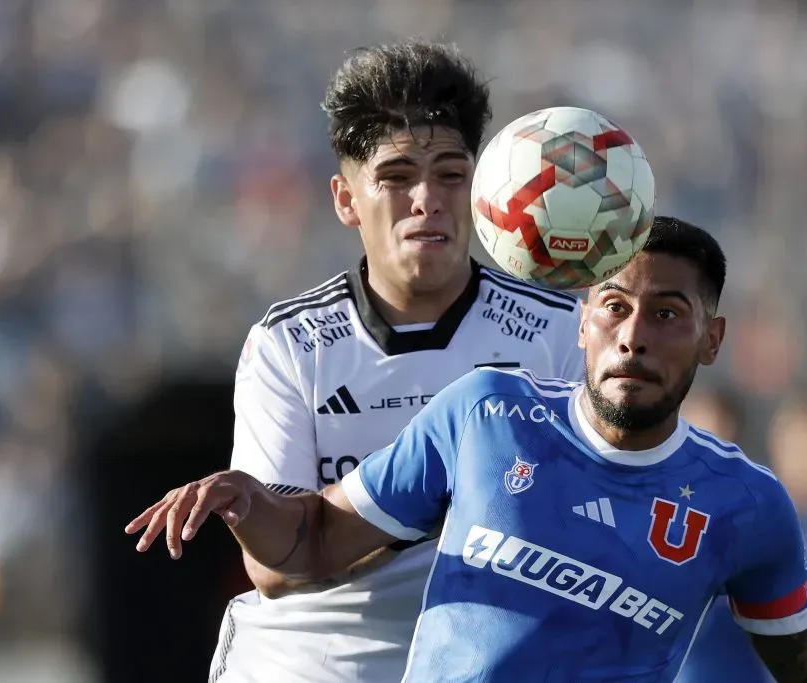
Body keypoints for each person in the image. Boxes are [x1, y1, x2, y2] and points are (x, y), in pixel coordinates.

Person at [128, 217, 807, 682]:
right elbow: (313, 542)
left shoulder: (748, 503)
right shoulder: (487, 412)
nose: (634, 335)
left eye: (667, 313)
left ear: (711, 339)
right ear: (581, 323)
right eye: (615, 306)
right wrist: (249, 501)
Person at [200, 40, 586, 682]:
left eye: (450, 176)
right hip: (315, 661)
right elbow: (280, 565)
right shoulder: (290, 346)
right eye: (396, 177)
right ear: (346, 199)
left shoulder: (557, 330)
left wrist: (363, 520)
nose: (426, 199)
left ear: (481, 189)